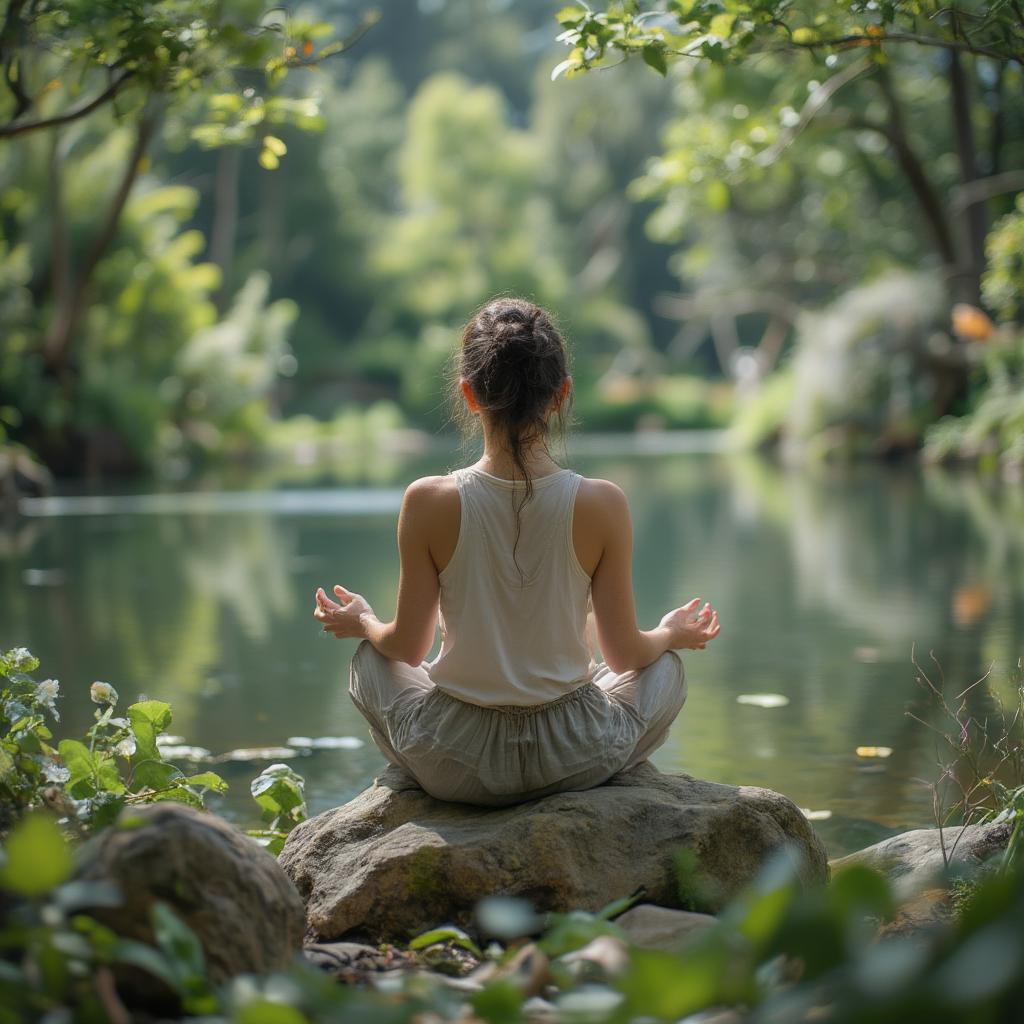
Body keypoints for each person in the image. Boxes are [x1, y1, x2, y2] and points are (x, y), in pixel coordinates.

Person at [313, 296, 721, 806]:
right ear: (561, 395)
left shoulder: (427, 499)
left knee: (367, 661)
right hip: (576, 758)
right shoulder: (602, 502)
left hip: (454, 760)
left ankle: (417, 774)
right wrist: (670, 632)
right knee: (666, 668)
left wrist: (365, 621)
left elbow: (406, 650)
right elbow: (627, 656)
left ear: (468, 394)